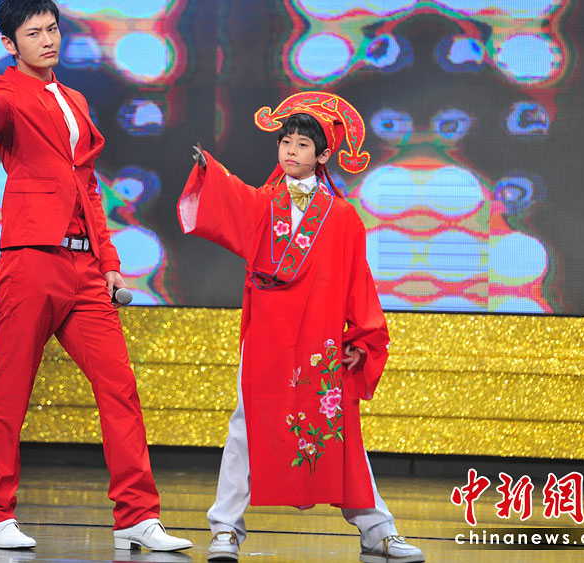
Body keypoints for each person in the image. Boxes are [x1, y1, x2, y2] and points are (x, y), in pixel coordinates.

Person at [0, 0, 191, 553]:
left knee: (119, 387)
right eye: (33, 33)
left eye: (52, 29)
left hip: (85, 267)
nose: (47, 40)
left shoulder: (76, 100)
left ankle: (136, 516)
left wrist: (109, 261)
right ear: (10, 44)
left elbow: (88, 186)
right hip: (32, 259)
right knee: (11, 387)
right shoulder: (2, 89)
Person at [177, 92, 425, 563]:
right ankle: (225, 529)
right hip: (267, 333)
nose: (290, 150)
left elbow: (358, 282)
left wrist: (362, 337)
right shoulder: (261, 203)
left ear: (324, 155)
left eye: (302, 144)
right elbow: (230, 198)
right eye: (285, 142)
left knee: (340, 428)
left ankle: (377, 529)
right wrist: (211, 171)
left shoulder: (343, 217)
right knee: (246, 424)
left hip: (319, 338)